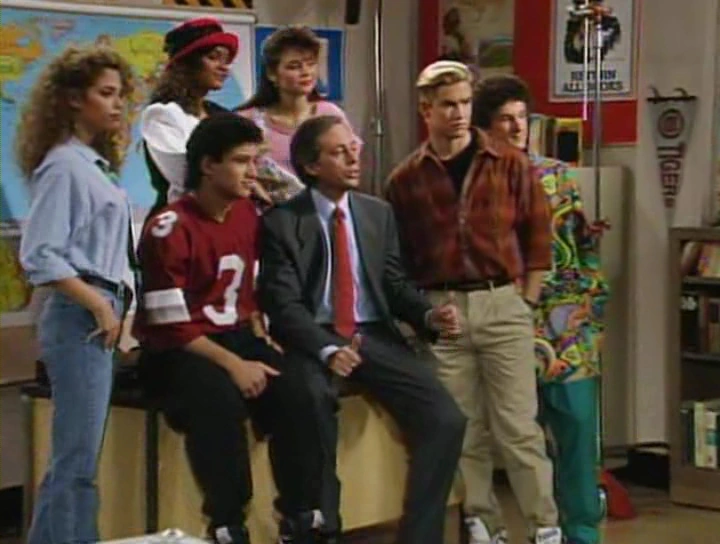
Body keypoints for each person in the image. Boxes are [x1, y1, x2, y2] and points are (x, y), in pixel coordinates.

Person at [258, 114, 467, 544]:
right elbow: (283, 305)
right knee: (310, 400)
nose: (354, 158)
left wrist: (427, 317)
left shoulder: (377, 214)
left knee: (446, 418)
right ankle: (322, 525)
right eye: (339, 152)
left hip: (371, 335)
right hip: (313, 338)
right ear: (312, 166)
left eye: (354, 147)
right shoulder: (282, 222)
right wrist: (327, 349)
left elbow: (394, 284)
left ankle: (420, 536)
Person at [385, 61, 562, 544]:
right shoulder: (405, 179)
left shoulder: (509, 163)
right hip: (443, 308)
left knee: (518, 428)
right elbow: (397, 258)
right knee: (463, 429)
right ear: (426, 110)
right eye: (448, 105)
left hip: (502, 301)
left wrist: (525, 302)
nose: (460, 113)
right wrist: (420, 314)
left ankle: (545, 527)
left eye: (465, 103)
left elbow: (538, 238)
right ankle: (484, 524)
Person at [133, 113, 324, 544]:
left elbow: (246, 295)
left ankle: (299, 515)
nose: (252, 172)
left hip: (235, 336)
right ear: (207, 165)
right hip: (179, 349)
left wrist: (259, 338)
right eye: (241, 161)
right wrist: (235, 365)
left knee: (301, 389)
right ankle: (227, 523)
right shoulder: (169, 227)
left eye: (255, 161)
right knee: (217, 399)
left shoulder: (247, 216)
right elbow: (170, 326)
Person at [473, 74, 610, 544]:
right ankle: (525, 529)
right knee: (515, 438)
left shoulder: (555, 175)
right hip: (504, 320)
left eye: (522, 118)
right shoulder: (474, 180)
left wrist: (590, 309)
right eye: (505, 119)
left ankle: (582, 532)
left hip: (566, 324)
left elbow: (580, 249)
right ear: (484, 127)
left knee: (577, 431)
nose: (517, 128)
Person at [17, 46, 135, 544]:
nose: (117, 104)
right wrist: (98, 303)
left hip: (99, 310)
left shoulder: (94, 165)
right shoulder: (64, 166)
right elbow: (40, 254)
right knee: (76, 460)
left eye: (120, 95)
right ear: (72, 99)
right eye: (105, 94)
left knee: (80, 458)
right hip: (79, 315)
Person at [140, 17, 270, 213]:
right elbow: (187, 175)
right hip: (182, 219)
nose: (224, 67)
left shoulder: (222, 115)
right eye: (213, 57)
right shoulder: (162, 114)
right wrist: (250, 183)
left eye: (226, 60)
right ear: (187, 62)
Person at [237, 26, 358, 203]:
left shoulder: (331, 114)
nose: (306, 72)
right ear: (272, 73)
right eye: (294, 66)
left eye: (311, 64)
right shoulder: (248, 122)